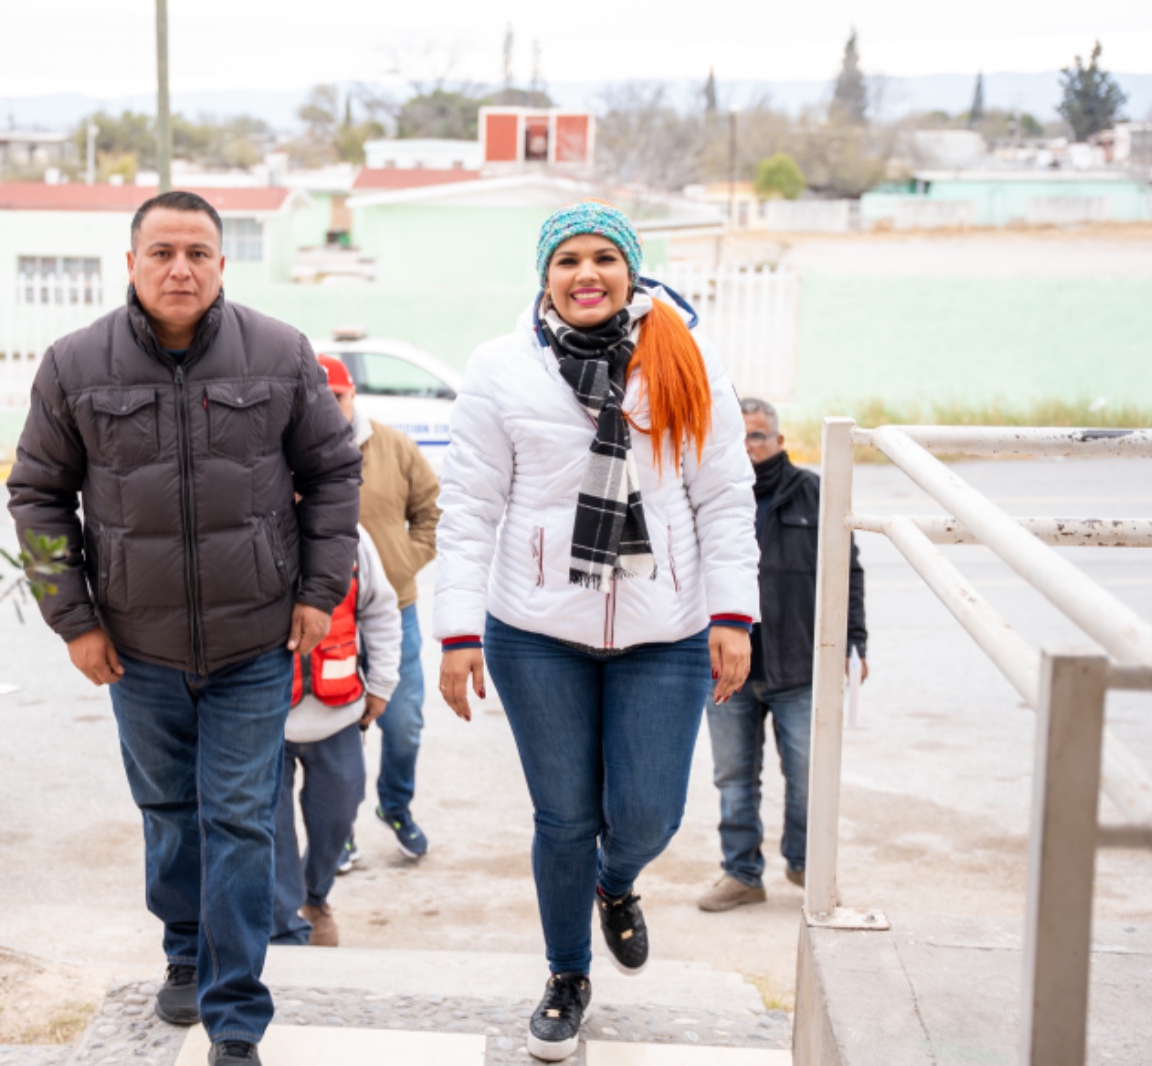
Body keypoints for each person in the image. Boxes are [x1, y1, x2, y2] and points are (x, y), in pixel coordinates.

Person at [6, 190, 362, 1066]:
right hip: (138, 649)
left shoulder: (279, 354)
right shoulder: (74, 364)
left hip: (255, 644)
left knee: (240, 820)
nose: (180, 268)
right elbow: (38, 496)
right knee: (170, 814)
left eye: (198, 252)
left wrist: (319, 590)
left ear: (222, 264)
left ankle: (236, 1016)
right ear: (130, 263)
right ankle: (183, 945)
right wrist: (73, 621)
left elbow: (332, 476)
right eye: (162, 251)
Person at [436, 200, 759, 1063]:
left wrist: (733, 616)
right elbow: (469, 509)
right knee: (565, 818)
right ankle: (567, 977)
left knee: (647, 814)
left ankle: (619, 884)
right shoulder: (501, 368)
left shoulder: (687, 358)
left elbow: (725, 496)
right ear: (544, 277)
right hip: (535, 629)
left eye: (604, 259)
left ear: (631, 271)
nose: (587, 274)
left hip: (668, 628)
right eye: (568, 259)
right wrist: (458, 631)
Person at [697, 397, 868, 912]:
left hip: (798, 665)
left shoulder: (815, 493)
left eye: (756, 436)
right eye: (738, 437)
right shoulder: (710, 493)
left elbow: (848, 572)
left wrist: (854, 641)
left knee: (807, 775)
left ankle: (805, 866)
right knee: (733, 777)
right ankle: (742, 873)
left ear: (779, 441)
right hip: (727, 670)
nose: (747, 447)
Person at [315, 355, 441, 864]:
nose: (330, 408)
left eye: (338, 398)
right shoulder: (291, 450)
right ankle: (339, 827)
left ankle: (395, 805)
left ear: (352, 397)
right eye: (319, 400)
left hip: (396, 613)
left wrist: (402, 566)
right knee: (340, 725)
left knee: (404, 720)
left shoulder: (394, 447)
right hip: (327, 618)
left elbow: (430, 513)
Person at [271, 525, 401, 947]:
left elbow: (380, 610)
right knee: (270, 827)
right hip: (262, 719)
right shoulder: (243, 521)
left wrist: (381, 685)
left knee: (338, 815)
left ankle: (314, 897)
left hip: (339, 714)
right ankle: (284, 924)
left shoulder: (351, 536)